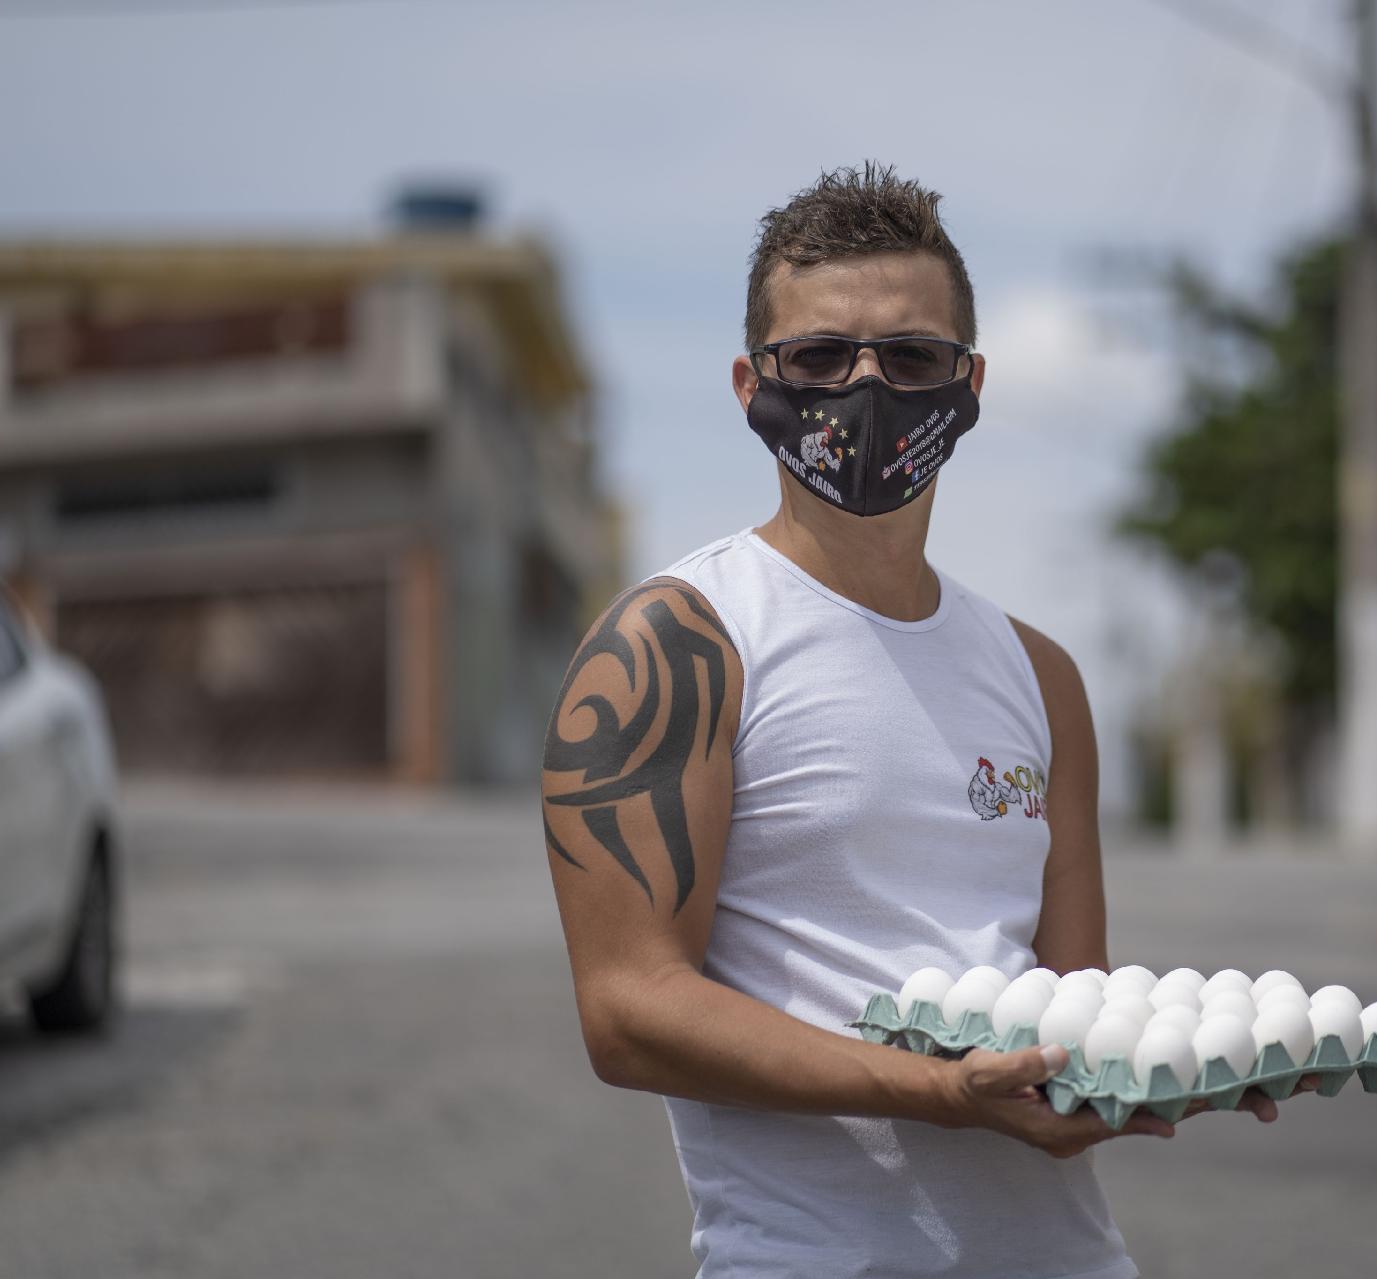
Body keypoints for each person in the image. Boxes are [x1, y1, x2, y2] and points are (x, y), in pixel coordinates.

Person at [541, 162, 1312, 1279]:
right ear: (750, 383)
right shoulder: (680, 645)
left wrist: (1167, 1067)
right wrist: (940, 1094)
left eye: (910, 357)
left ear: (970, 383)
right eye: (816, 357)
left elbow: (1068, 1013)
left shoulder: (1041, 676)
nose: (864, 388)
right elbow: (628, 1009)